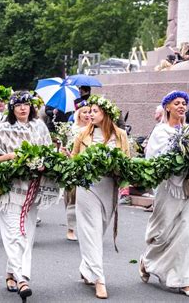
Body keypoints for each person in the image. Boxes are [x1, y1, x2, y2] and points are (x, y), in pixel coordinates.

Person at [0, 90, 52, 301]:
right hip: (9, 190)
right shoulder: (2, 129)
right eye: (18, 106)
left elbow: (49, 153)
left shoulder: (40, 127)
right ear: (12, 109)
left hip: (32, 189)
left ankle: (11, 273)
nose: (22, 108)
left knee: (26, 236)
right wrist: (12, 157)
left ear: (31, 107)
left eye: (26, 105)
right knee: (15, 233)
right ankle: (23, 279)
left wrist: (43, 164)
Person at [139, 91, 189, 298]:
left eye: (184, 103)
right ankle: (147, 261)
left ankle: (183, 280)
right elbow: (154, 159)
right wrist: (176, 155)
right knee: (162, 232)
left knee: (188, 234)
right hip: (167, 187)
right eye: (177, 103)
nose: (182, 106)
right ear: (167, 107)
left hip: (188, 187)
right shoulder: (160, 131)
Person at [71, 95, 129, 299]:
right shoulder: (82, 135)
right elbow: (74, 159)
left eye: (95, 111)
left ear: (106, 114)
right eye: (89, 111)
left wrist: (121, 175)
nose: (90, 114)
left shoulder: (120, 135)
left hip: (108, 187)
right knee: (90, 230)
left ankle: (87, 267)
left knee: (99, 229)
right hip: (86, 187)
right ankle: (99, 279)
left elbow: (127, 162)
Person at [63, 100, 91, 241]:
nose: (87, 115)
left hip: (90, 169)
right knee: (72, 199)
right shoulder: (72, 130)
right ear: (78, 114)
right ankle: (71, 229)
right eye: (84, 112)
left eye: (89, 112)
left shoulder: (95, 130)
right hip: (74, 167)